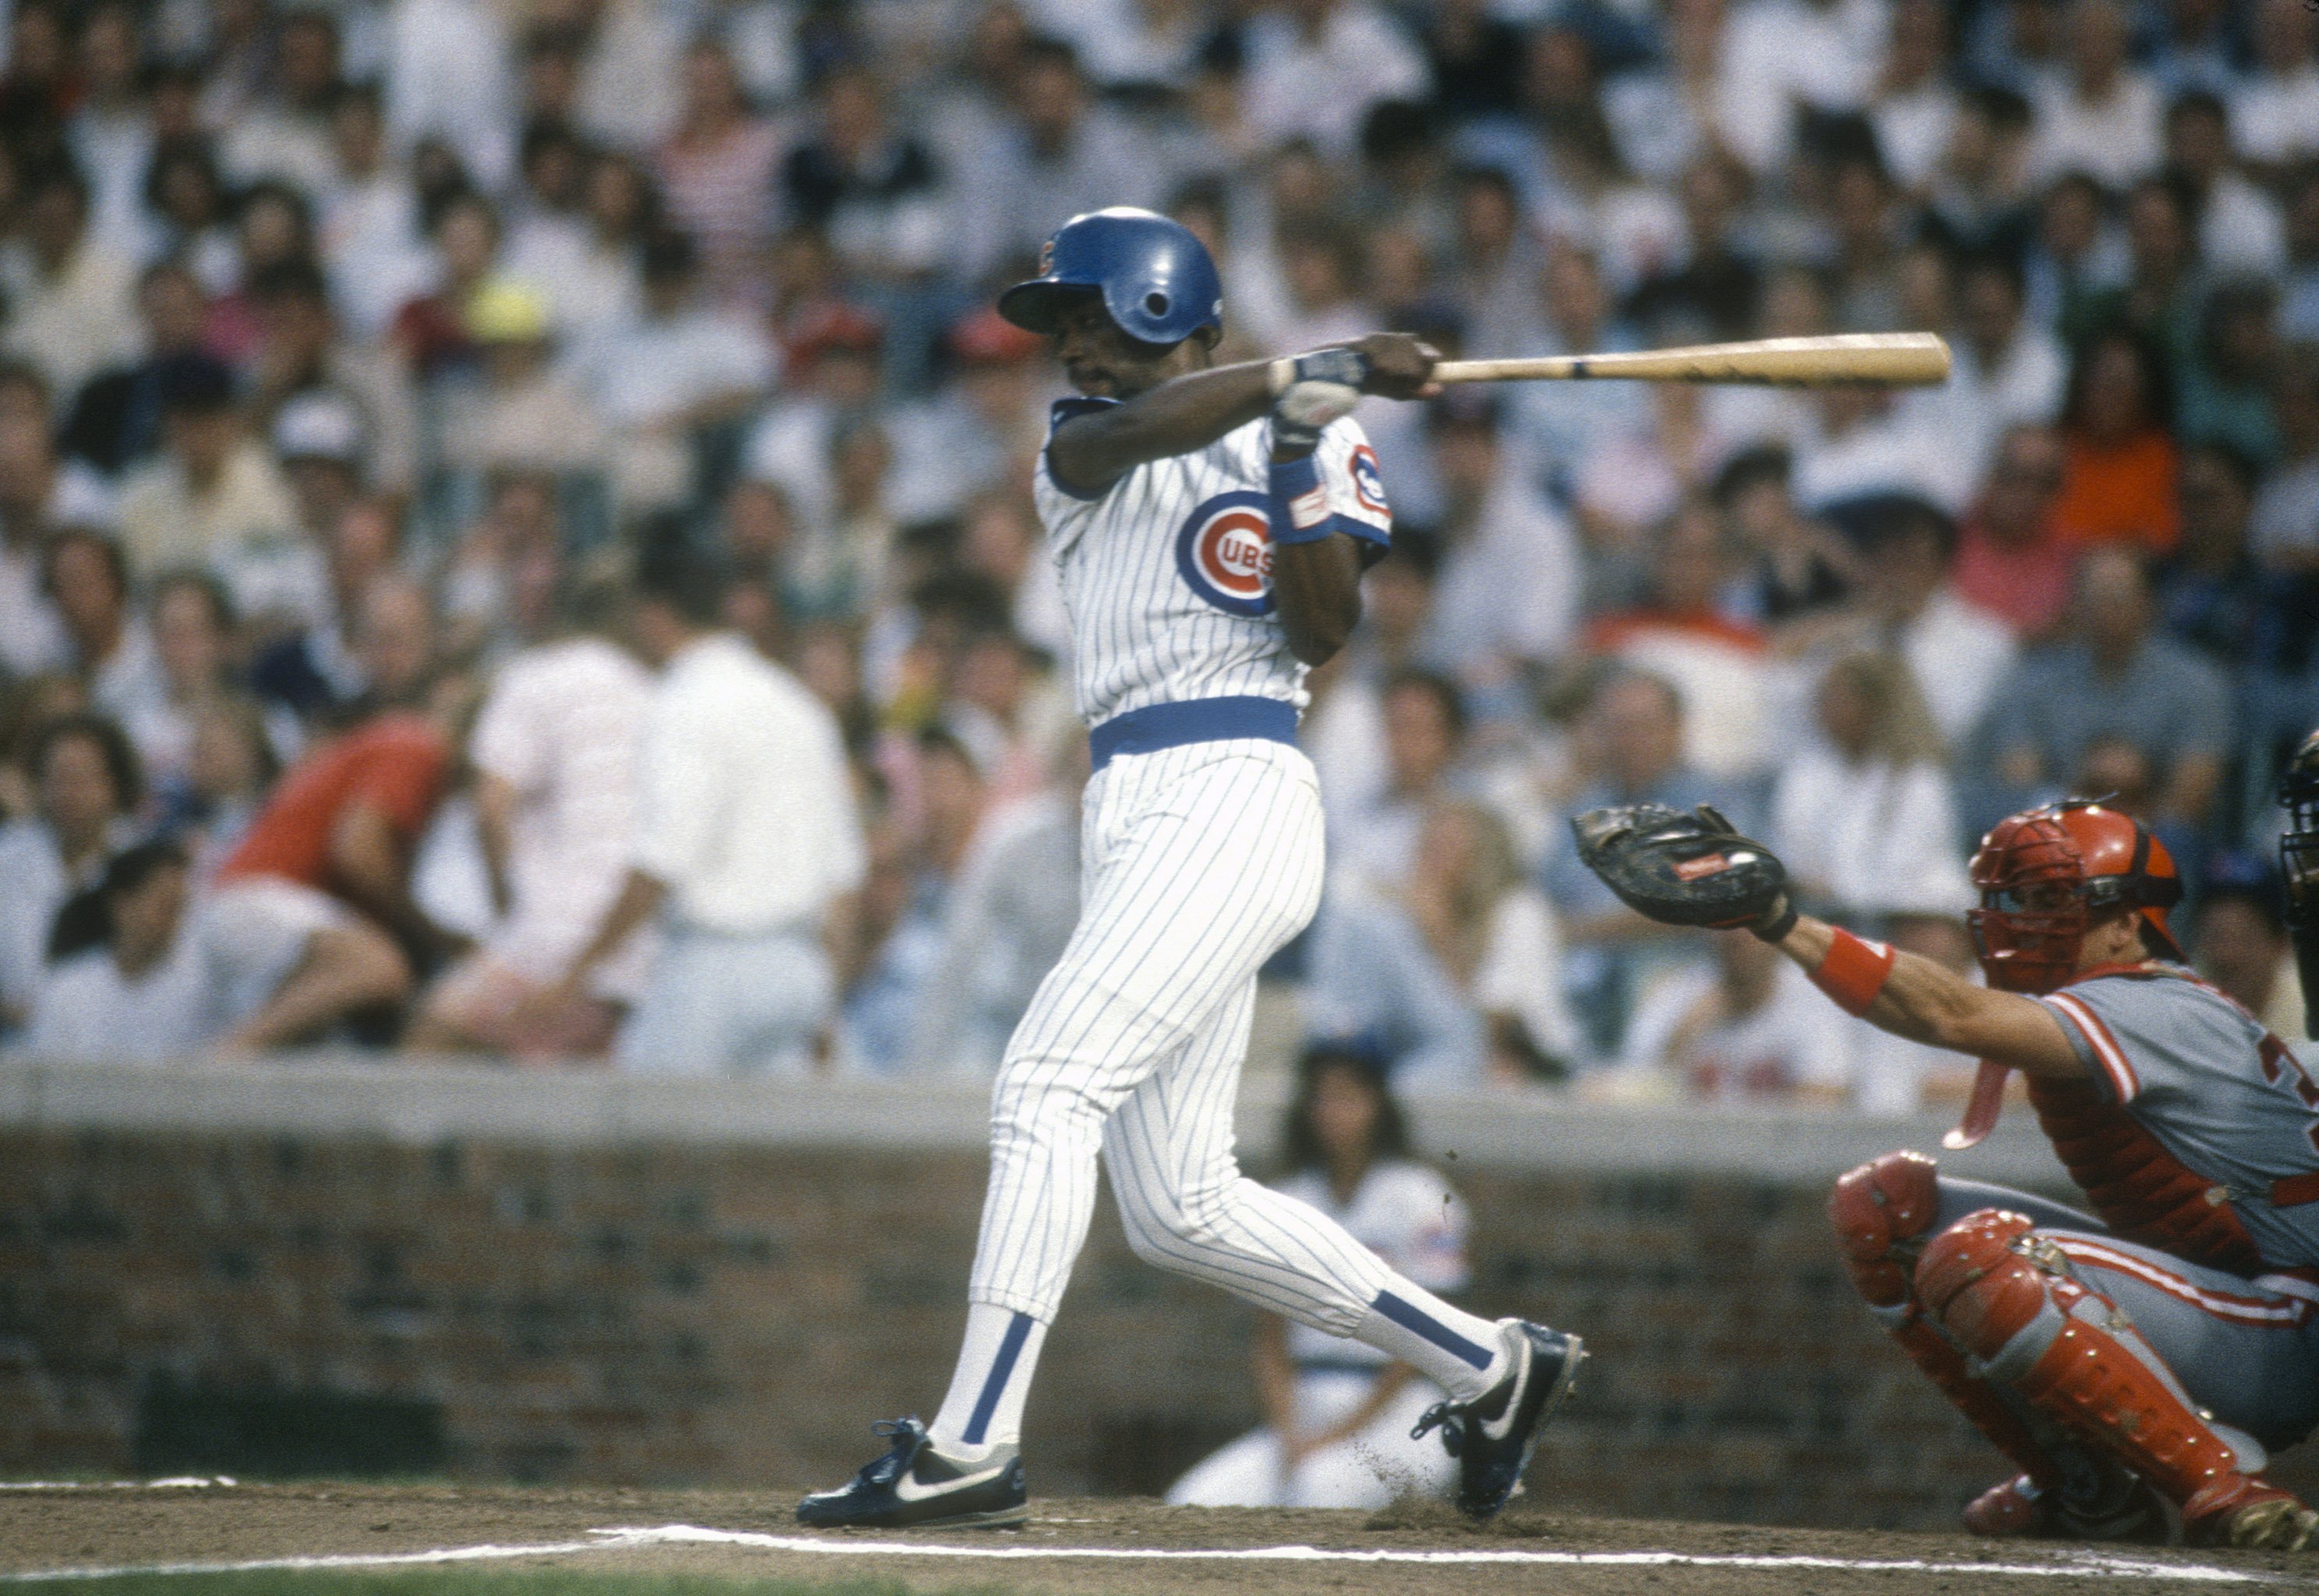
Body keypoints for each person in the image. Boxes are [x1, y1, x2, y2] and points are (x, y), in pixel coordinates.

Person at [797, 208, 1579, 1533]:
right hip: (1134, 800)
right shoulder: (1078, 439)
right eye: (1065, 326)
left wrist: (1293, 443)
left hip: (1235, 782)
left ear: (1164, 307)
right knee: (1178, 1203)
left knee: (1046, 1082)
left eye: (1094, 318)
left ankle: (970, 1440)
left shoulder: (1316, 426)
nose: (1074, 348)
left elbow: (1323, 627)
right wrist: (1289, 378)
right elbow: (1126, 434)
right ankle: (1491, 1365)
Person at [1582, 794, 2319, 1550]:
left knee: (1982, 1255)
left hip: (2286, 1326)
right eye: (2007, 898)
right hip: (2220, 1298)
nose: (2015, 919)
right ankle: (2087, 1487)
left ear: (2125, 924)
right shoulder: (2116, 998)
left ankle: (2229, 1492)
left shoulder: (2153, 1000)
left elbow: (1948, 1015)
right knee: (1881, 1202)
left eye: (2046, 900)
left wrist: (1779, 921)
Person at [543, 539, 864, 1078]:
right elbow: (845, 881)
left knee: (652, 1151)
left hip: (713, 972)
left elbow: (662, 861)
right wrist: (826, 1002)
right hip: (797, 970)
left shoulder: (683, 702)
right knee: (770, 1159)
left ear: (653, 612)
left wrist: (572, 976)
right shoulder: (799, 704)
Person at [1166, 1041, 1472, 1509]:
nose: (1332, 1111)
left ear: (1379, 1105)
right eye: (1321, 1097)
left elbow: (1426, 1343)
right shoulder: (1287, 1198)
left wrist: (1332, 1437)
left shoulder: (1420, 1195)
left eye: (1348, 1096)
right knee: (1194, 1499)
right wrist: (1291, 1434)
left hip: (1405, 1413)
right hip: (1306, 1400)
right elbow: (1269, 1339)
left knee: (1318, 1492)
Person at [22, 835, 408, 1061]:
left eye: (184, 904)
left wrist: (230, 1052)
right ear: (123, 907)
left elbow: (378, 968)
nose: (179, 920)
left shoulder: (220, 931)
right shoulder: (69, 990)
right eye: (166, 906)